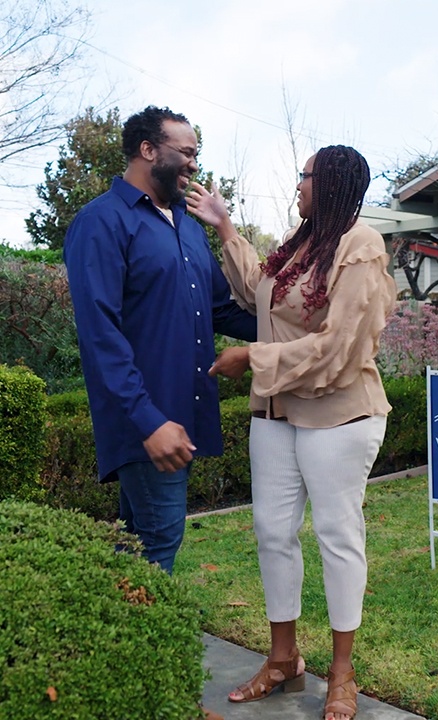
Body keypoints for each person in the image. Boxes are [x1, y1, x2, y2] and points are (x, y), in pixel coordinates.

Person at [185, 144, 395, 720]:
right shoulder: (303, 243)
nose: (297, 185)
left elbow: (339, 347)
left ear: (330, 183)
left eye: (305, 177)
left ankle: (343, 674)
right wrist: (225, 224)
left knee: (336, 535)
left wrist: (252, 358)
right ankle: (283, 660)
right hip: (278, 413)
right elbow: (260, 287)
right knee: (272, 530)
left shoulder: (361, 246)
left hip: (339, 414)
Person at [64, 105, 257, 577]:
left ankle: (111, 641)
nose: (194, 164)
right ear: (149, 150)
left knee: (136, 543)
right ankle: (142, 649)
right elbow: (100, 335)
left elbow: (220, 310)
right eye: (187, 152)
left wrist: (296, 326)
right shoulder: (101, 222)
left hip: (181, 417)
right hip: (144, 422)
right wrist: (150, 423)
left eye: (196, 154)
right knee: (159, 539)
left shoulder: (188, 229)